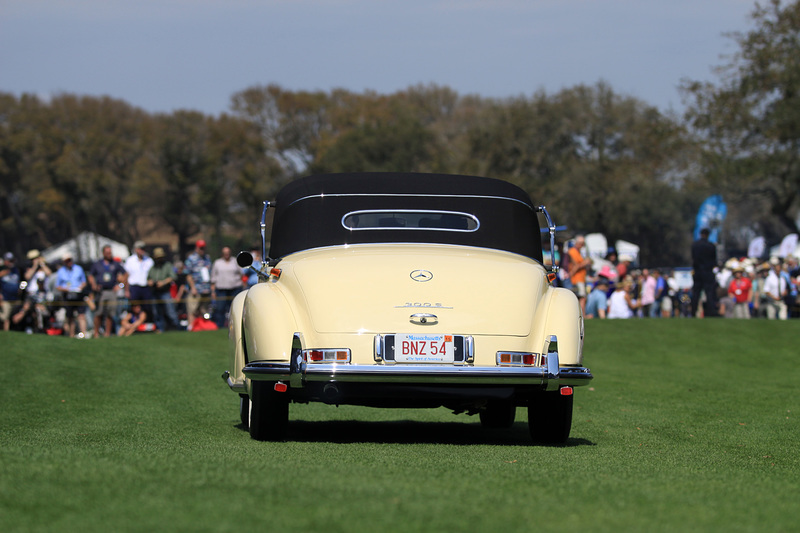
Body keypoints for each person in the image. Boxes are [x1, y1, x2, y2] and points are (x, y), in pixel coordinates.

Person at [88, 245, 126, 337]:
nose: (109, 254)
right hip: (100, 292)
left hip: (112, 291)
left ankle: (107, 333)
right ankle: (96, 333)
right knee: (99, 313)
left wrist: (120, 286)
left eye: (110, 252)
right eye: (107, 253)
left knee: (110, 313)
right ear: (103, 253)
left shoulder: (115, 264)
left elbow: (125, 275)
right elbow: (90, 275)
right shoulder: (97, 264)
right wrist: (93, 285)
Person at [55, 253, 88, 337]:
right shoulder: (61, 271)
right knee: (70, 316)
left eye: (70, 260)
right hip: (67, 296)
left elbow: (84, 282)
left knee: (81, 315)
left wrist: (80, 287)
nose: (69, 262)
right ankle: (71, 335)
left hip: (78, 295)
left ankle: (83, 334)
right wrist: (66, 289)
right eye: (67, 261)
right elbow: (58, 286)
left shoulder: (78, 269)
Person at [147, 247, 179, 332]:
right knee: (156, 312)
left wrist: (163, 282)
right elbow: (148, 278)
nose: (159, 259)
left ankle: (176, 327)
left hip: (165, 292)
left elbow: (173, 277)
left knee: (170, 311)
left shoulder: (167, 265)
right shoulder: (153, 267)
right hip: (155, 292)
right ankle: (160, 328)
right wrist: (150, 282)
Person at [210, 246, 243, 328]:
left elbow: (241, 273)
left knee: (235, 308)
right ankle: (220, 326)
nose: (226, 254)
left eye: (228, 253)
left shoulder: (235, 261)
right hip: (221, 289)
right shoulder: (217, 263)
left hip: (235, 288)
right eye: (225, 253)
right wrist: (213, 291)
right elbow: (213, 277)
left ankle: (236, 326)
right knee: (220, 309)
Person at [124, 241, 154, 322]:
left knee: (147, 307)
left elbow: (152, 274)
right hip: (134, 287)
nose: (142, 250)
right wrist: (126, 290)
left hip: (145, 287)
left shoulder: (149, 260)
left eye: (143, 248)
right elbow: (126, 276)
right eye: (140, 248)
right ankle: (133, 324)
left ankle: (147, 324)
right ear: (136, 249)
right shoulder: (130, 260)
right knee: (134, 308)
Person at [691, 228, 718, 317]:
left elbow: (693, 259)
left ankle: (693, 312)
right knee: (709, 293)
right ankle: (710, 312)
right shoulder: (711, 246)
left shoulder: (695, 245)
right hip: (707, 272)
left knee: (696, 293)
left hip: (698, 272)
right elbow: (714, 260)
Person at [24, 250, 52, 332]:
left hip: (42, 294)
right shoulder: (30, 268)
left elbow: (49, 273)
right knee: (32, 313)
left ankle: (42, 328)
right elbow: (27, 276)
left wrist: (42, 264)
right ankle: (34, 328)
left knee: (41, 311)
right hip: (31, 294)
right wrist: (35, 266)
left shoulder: (43, 268)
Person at [185, 239, 212, 323]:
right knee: (193, 310)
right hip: (196, 289)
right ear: (196, 248)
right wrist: (193, 287)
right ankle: (191, 328)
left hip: (206, 289)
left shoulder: (207, 258)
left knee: (204, 311)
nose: (202, 250)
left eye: (203, 248)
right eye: (200, 248)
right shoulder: (191, 259)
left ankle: (202, 328)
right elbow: (188, 275)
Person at [568, 235, 593, 314]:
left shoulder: (578, 252)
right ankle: (583, 314)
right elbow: (576, 266)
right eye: (581, 243)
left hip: (581, 278)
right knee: (582, 297)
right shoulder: (573, 251)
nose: (582, 246)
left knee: (582, 297)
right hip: (576, 278)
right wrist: (585, 262)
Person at [1, 252, 22, 331]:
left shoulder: (17, 270)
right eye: (9, 261)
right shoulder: (1, 270)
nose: (11, 263)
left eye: (12, 260)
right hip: (5, 298)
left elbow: (24, 281)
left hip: (16, 298)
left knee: (14, 318)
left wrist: (21, 289)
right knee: (5, 317)